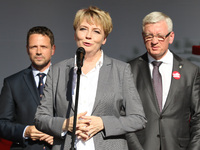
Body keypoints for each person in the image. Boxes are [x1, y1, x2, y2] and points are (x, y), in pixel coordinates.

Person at [34, 6, 146, 150]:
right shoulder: (58, 70)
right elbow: (40, 118)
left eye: (96, 31)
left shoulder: (121, 70)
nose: (88, 36)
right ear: (75, 34)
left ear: (104, 39)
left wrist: (103, 123)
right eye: (83, 29)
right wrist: (64, 124)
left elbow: (138, 119)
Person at [126, 11, 200, 150]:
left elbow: (198, 117)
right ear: (143, 37)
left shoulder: (190, 71)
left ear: (171, 37)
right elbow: (123, 115)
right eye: (149, 36)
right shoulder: (129, 70)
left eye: (160, 36)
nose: (154, 41)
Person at [0, 26, 55, 150]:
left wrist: (59, 135)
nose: (39, 52)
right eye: (33, 47)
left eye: (44, 47)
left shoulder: (68, 80)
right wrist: (26, 131)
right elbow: (2, 123)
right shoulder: (12, 83)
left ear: (53, 49)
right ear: (27, 49)